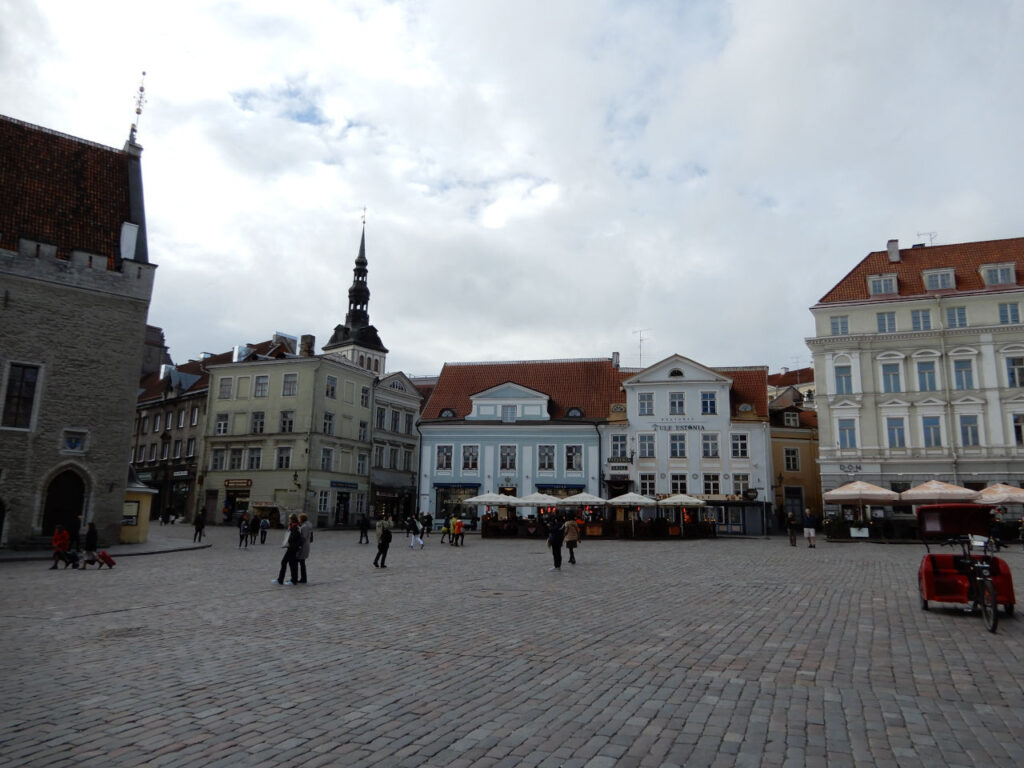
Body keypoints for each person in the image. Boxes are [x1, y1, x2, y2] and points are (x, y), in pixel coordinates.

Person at [273, 514, 302, 585]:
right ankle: (291, 580)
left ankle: (283, 580)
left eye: (290, 519)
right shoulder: (294, 526)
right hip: (292, 547)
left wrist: (288, 539)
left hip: (292, 548)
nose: (289, 520)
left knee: (285, 562)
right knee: (292, 564)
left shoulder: (295, 527)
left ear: (292, 519)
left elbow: (294, 537)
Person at [297, 513, 313, 583]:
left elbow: (303, 537)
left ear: (301, 519)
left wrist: (298, 545)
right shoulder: (308, 525)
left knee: (301, 562)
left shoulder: (305, 526)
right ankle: (303, 578)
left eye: (299, 518)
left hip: (303, 546)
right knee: (302, 562)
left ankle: (303, 579)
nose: (298, 520)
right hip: (306, 545)